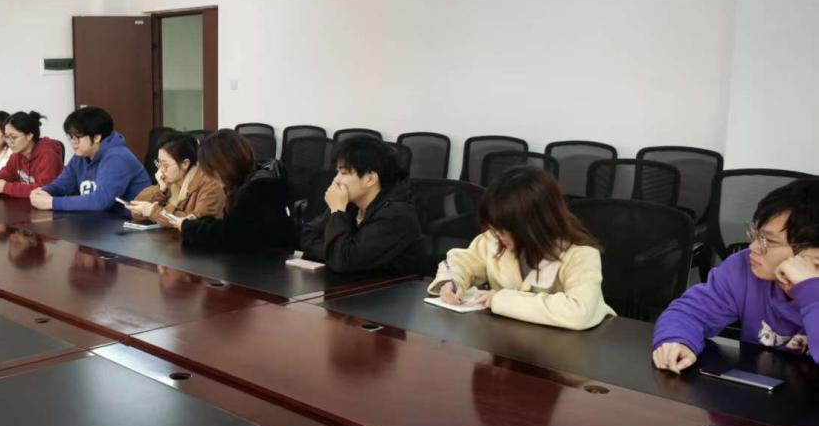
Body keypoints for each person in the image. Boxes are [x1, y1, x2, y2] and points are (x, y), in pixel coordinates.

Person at [653, 179, 819, 372]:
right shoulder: (744, 266)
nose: (753, 247)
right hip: (759, 385)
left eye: (770, 242)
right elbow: (691, 311)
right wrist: (678, 340)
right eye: (757, 235)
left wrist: (810, 293)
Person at [428, 166, 613, 330]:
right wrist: (452, 283)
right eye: (495, 229)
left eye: (503, 231)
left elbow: (578, 311)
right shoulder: (496, 239)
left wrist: (498, 299)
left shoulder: (581, 253)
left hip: (572, 350)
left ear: (532, 227)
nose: (497, 236)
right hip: (510, 341)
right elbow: (464, 262)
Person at [300, 138, 423, 273]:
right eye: (337, 172)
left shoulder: (396, 215)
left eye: (344, 173)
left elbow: (343, 262)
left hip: (391, 285)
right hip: (351, 281)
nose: (336, 180)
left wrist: (337, 212)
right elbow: (308, 236)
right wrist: (333, 254)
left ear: (370, 179)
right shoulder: (351, 203)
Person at [180, 130, 296, 250]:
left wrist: (188, 227)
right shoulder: (248, 180)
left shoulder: (257, 188)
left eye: (212, 171)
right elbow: (234, 225)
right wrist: (199, 223)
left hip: (268, 259)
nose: (211, 178)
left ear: (225, 164)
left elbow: (231, 237)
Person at [30, 106, 151, 212]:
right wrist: (44, 192)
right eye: (70, 137)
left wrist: (52, 202)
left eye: (77, 138)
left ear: (96, 137)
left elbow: (101, 201)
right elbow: (63, 184)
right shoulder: (81, 156)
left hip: (127, 223)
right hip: (99, 220)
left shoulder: (118, 157)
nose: (73, 143)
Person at [126, 132, 226, 228]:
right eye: (159, 163)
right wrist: (161, 190)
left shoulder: (211, 185)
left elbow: (195, 224)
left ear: (185, 164)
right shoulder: (170, 182)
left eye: (165, 165)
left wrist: (154, 211)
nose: (161, 170)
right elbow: (136, 212)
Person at [0, 111, 65, 197]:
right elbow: (5, 174)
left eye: (13, 137)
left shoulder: (48, 155)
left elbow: (43, 190)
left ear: (29, 136)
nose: (9, 142)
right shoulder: (16, 155)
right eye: (6, 137)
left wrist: (6, 187)